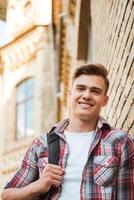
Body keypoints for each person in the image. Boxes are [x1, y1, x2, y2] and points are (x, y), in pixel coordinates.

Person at [1, 64, 134, 200]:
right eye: (81, 89)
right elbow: (6, 196)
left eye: (95, 91)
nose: (86, 95)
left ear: (105, 100)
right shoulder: (42, 143)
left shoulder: (120, 141)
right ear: (70, 94)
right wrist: (38, 186)